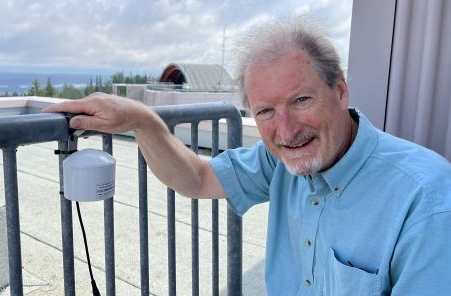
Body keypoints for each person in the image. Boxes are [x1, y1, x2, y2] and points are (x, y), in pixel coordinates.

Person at [44, 17, 451, 295]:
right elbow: (197, 179)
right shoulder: (282, 162)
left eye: (301, 99)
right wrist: (142, 120)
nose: (286, 130)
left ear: (340, 91)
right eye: (266, 111)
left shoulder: (426, 197)